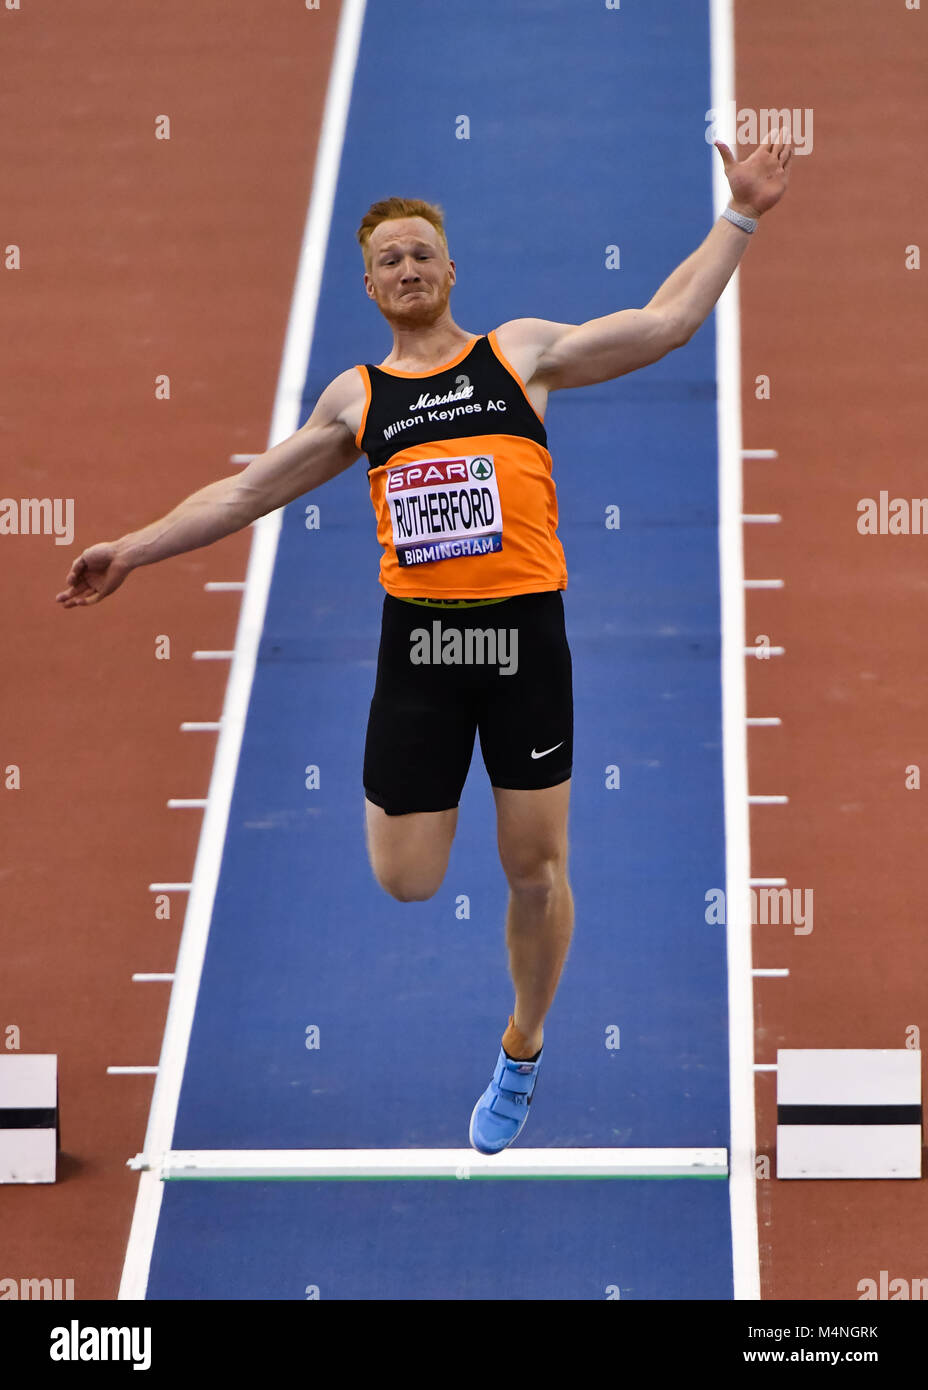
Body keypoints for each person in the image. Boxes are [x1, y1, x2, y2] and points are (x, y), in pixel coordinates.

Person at [57, 134, 793, 1154]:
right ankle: (440, 848)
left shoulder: (519, 353)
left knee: (534, 869)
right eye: (389, 259)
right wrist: (130, 550)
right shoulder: (358, 399)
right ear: (369, 286)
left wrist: (741, 214)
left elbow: (663, 324)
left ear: (452, 271)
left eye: (422, 253)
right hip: (423, 652)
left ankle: (522, 1047)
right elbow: (245, 490)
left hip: (524, 641)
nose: (407, 267)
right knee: (406, 879)